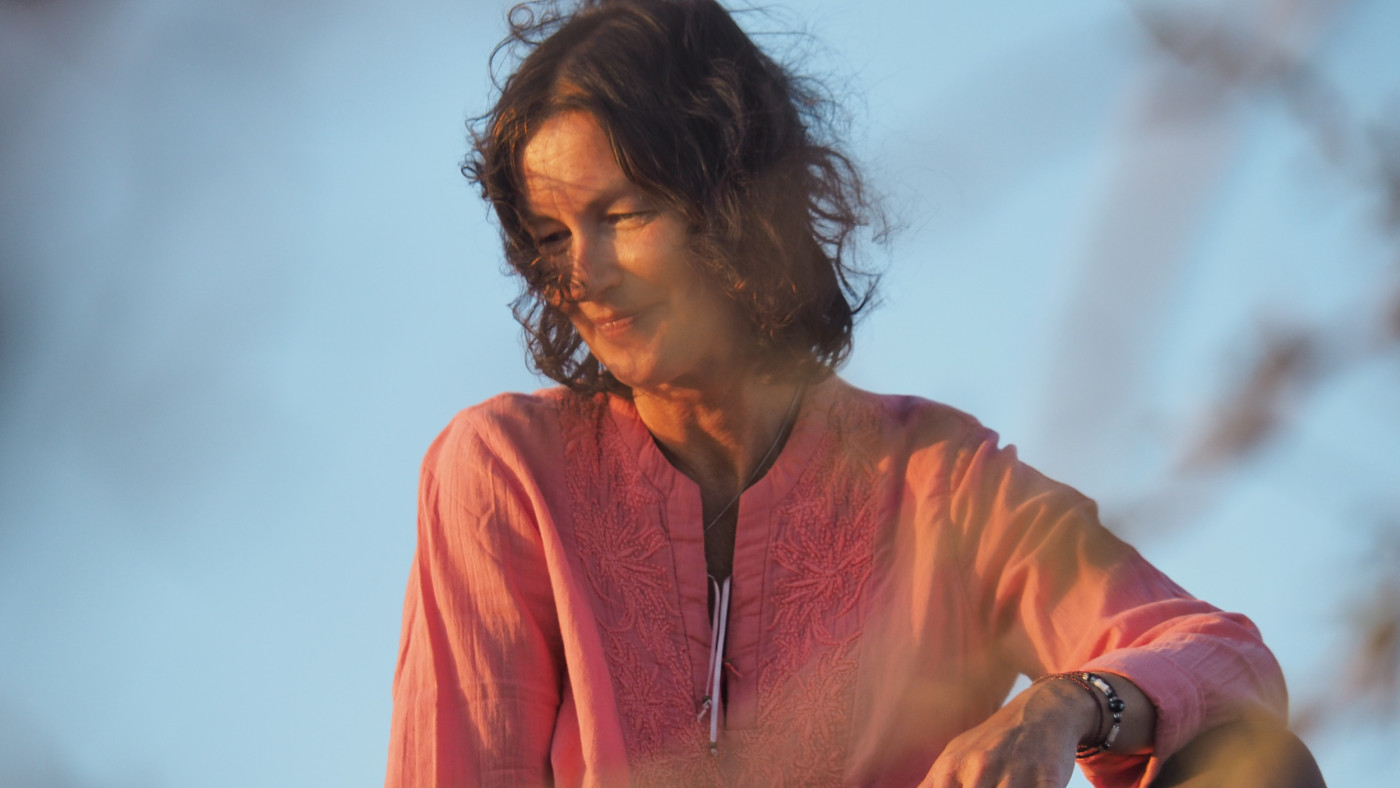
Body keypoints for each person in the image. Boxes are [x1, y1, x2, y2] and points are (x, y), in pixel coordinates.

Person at [386, 1, 1323, 786]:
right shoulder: (508, 470)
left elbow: (1220, 656)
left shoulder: (939, 484)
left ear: (735, 204)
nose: (582, 275)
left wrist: (1069, 702)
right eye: (551, 237)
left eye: (622, 214)